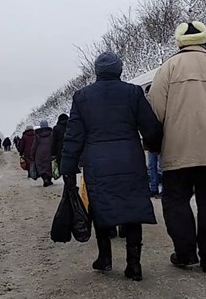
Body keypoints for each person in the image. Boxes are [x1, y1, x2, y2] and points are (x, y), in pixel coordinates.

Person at [149, 21, 206, 273]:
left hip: (177, 151)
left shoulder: (168, 67)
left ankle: (185, 253)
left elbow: (155, 111)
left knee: (175, 201)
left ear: (179, 42)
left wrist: (155, 145)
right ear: (205, 41)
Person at [60, 51, 162, 281]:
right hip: (130, 158)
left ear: (97, 71)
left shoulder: (82, 97)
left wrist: (68, 167)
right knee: (133, 207)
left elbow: (73, 135)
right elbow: (151, 128)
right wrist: (155, 145)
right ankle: (134, 264)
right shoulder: (133, 93)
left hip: (97, 161)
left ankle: (104, 257)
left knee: (100, 206)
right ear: (120, 69)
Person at [144, 85, 163, 198]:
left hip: (156, 140)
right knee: (153, 166)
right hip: (152, 141)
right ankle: (154, 188)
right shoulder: (147, 107)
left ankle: (156, 188)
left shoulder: (155, 107)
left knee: (158, 166)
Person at [31, 120, 54, 187]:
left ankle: (45, 179)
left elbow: (34, 145)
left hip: (39, 153)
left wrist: (32, 154)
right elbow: (53, 143)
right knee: (48, 166)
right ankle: (49, 180)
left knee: (41, 167)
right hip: (49, 152)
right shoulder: (51, 133)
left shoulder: (37, 135)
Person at [51, 113, 69, 183]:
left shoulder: (56, 128)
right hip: (71, 150)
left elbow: (53, 142)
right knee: (72, 170)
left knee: (64, 170)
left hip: (60, 151)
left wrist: (53, 153)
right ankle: (72, 186)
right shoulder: (71, 127)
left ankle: (68, 186)